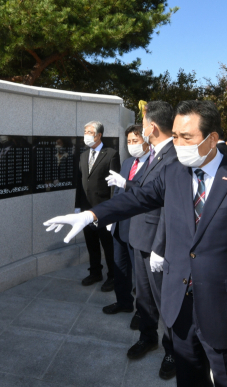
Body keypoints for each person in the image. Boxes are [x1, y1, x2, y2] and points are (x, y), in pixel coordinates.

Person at [45, 100, 227, 387]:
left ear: (212, 139)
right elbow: (137, 198)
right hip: (179, 306)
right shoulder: (173, 172)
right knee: (189, 379)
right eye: (176, 137)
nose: (179, 144)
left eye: (187, 138)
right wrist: (93, 215)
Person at [106, 101, 177, 379]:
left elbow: (169, 206)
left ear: (153, 127)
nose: (141, 128)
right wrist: (127, 187)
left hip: (156, 243)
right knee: (145, 297)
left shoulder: (173, 156)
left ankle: (173, 349)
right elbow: (147, 190)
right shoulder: (156, 154)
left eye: (144, 123)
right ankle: (148, 337)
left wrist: (161, 246)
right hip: (139, 236)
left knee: (164, 302)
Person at [102, 124, 149, 316]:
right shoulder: (128, 162)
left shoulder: (154, 164)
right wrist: (111, 215)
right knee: (120, 266)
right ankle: (123, 301)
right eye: (129, 141)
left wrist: (126, 184)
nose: (132, 145)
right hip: (120, 224)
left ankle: (143, 312)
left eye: (135, 141)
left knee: (140, 275)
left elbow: (147, 192)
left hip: (138, 226)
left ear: (146, 141)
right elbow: (118, 191)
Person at [75, 120, 120, 291]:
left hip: (104, 209)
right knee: (91, 243)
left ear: (98, 135)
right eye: (85, 131)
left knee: (108, 245)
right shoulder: (83, 155)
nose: (85, 135)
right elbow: (80, 183)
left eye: (89, 132)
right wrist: (77, 206)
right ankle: (95, 272)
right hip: (86, 209)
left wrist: (113, 210)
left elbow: (114, 184)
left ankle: (113, 276)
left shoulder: (111, 154)